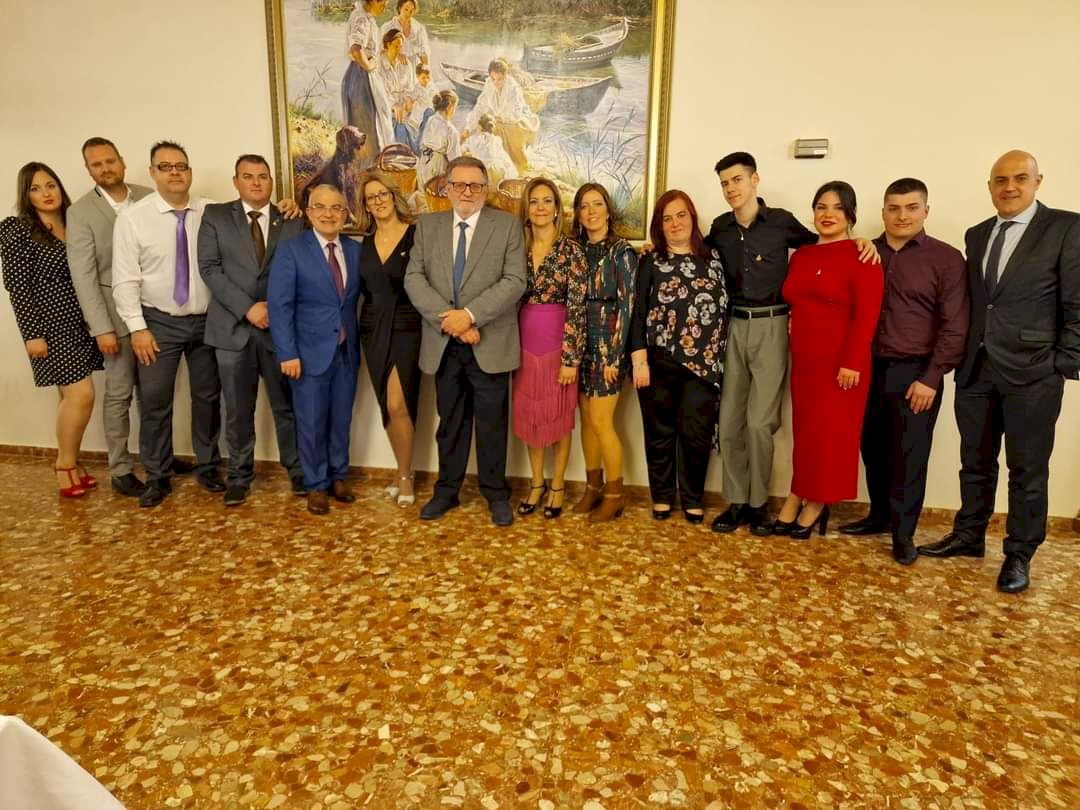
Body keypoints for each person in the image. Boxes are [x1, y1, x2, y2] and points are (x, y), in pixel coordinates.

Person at [919, 151, 1080, 593]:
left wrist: (1063, 363)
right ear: (989, 186)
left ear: (1037, 182)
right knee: (974, 462)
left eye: (1020, 178)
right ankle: (969, 535)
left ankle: (1019, 554)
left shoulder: (1066, 228)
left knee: (1027, 470)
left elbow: (1077, 302)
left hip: (1034, 372)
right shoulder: (977, 234)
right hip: (977, 369)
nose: (1010, 187)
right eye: (1000, 180)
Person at [707, 152, 877, 535]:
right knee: (730, 422)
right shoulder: (720, 227)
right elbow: (696, 256)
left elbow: (828, 242)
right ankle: (737, 502)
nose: (731, 188)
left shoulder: (782, 223)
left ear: (755, 180)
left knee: (759, 424)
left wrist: (863, 239)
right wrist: (652, 249)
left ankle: (758, 505)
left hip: (773, 326)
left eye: (737, 179)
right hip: (736, 327)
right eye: (725, 183)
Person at [837, 178, 968, 564]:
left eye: (911, 207)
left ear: (926, 211)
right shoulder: (865, 252)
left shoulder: (946, 259)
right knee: (872, 447)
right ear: (883, 212)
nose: (902, 216)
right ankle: (879, 515)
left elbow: (956, 325)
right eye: (893, 208)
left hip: (916, 372)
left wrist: (932, 377)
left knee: (909, 455)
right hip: (866, 368)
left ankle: (903, 533)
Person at [404, 155, 527, 526]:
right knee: (450, 423)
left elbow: (514, 281)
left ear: (485, 190)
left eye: (475, 185)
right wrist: (453, 322)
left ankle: (496, 494)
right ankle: (447, 491)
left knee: (492, 425)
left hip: (490, 343)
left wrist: (470, 316)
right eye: (459, 184)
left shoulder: (507, 226)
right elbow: (414, 278)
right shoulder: (427, 226)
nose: (467, 191)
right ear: (447, 188)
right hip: (445, 344)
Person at [112, 141, 225, 508]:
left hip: (207, 321)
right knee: (155, 401)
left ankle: (208, 466)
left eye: (181, 166)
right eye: (166, 167)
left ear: (190, 172)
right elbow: (125, 279)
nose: (175, 172)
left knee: (207, 397)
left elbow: (249, 221)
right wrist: (137, 328)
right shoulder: (133, 218)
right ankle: (158, 475)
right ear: (152, 173)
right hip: (158, 323)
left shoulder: (211, 211)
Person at [197, 154, 306, 507]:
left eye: (263, 176)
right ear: (236, 181)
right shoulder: (215, 216)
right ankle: (240, 476)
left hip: (279, 330)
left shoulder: (291, 219)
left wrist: (273, 309)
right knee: (238, 410)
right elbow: (209, 268)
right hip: (232, 330)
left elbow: (299, 270)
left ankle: (297, 470)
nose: (256, 182)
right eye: (248, 176)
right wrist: (248, 308)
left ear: (272, 181)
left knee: (286, 407)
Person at [776, 181, 883, 539]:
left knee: (831, 439)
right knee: (806, 435)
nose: (828, 214)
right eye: (821, 207)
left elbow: (867, 314)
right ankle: (797, 491)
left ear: (851, 214)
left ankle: (817, 502)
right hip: (805, 361)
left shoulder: (862, 255)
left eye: (837, 207)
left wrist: (852, 361)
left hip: (842, 364)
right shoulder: (802, 255)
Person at [1, 162, 103, 497]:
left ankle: (73, 461)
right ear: (26, 195)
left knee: (69, 399)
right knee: (81, 395)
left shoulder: (74, 221)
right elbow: (17, 287)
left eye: (50, 185)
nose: (46, 193)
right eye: (35, 188)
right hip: (49, 325)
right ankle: (64, 466)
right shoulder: (18, 229)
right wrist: (32, 334)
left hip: (80, 322)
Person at [629, 191, 728, 524]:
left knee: (696, 436)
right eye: (667, 218)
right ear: (659, 225)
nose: (675, 224)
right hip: (659, 361)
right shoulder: (651, 261)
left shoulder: (715, 257)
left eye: (681, 215)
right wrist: (639, 360)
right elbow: (638, 311)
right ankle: (661, 497)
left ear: (692, 217)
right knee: (659, 433)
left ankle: (692, 498)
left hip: (704, 366)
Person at [268, 185, 365, 515]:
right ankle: (315, 484)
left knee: (341, 418)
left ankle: (339, 476)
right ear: (308, 213)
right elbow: (280, 305)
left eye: (336, 208)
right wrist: (287, 353)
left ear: (345, 214)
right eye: (320, 207)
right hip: (307, 354)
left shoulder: (354, 250)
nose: (328, 214)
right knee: (310, 421)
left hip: (346, 352)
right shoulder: (292, 249)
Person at [66, 137, 153, 497]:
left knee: (153, 393)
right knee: (119, 394)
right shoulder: (80, 212)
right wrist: (100, 328)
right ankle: (120, 468)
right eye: (96, 164)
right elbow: (83, 275)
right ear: (89, 170)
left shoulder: (148, 196)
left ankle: (156, 458)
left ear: (122, 161)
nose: (105, 168)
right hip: (113, 320)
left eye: (109, 161)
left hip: (153, 313)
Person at [512, 177, 587, 518]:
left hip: (559, 344)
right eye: (534, 201)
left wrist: (571, 359)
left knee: (558, 416)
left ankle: (557, 485)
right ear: (526, 209)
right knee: (531, 417)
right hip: (523, 344)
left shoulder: (571, 249)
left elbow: (578, 306)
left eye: (547, 201)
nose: (540, 207)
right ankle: (536, 483)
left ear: (557, 209)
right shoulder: (518, 247)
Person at [570, 182, 637, 522]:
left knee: (601, 421)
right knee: (586, 420)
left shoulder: (622, 252)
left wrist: (614, 355)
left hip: (609, 344)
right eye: (584, 206)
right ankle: (592, 488)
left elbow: (627, 306)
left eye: (597, 204)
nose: (591, 211)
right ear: (578, 214)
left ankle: (615, 494)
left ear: (608, 211)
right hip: (580, 343)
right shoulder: (576, 250)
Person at [356, 172, 422, 507]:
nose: (378, 201)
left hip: (407, 325)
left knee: (399, 403)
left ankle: (407, 475)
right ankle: (400, 471)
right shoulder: (363, 244)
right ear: (366, 206)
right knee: (386, 404)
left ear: (394, 196)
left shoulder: (416, 235)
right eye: (371, 197)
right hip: (372, 327)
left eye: (382, 194)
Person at [463, 58, 539, 174]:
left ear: (505, 76)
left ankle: (513, 166)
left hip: (515, 122)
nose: (496, 82)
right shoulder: (489, 84)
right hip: (497, 121)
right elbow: (480, 106)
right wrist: (468, 128)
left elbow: (516, 113)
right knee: (483, 131)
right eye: (493, 78)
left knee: (503, 136)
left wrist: (501, 118)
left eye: (500, 79)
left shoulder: (513, 88)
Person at [341, 0, 394, 167]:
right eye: (383, 3)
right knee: (365, 123)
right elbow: (356, 49)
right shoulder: (361, 18)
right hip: (361, 78)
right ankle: (366, 167)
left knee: (373, 120)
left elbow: (367, 48)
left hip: (363, 75)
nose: (384, 7)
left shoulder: (367, 18)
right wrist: (370, 67)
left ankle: (370, 165)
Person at [377, 29, 416, 148]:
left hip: (404, 107)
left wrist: (409, 99)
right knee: (400, 127)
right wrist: (393, 105)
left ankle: (406, 150)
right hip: (386, 106)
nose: (399, 50)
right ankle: (398, 151)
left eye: (401, 46)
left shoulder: (406, 63)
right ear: (388, 45)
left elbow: (410, 88)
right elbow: (380, 92)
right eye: (396, 46)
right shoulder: (379, 64)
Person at [418, 90, 461, 188]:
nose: (454, 111)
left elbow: (424, 142)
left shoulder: (431, 120)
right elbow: (454, 159)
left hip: (424, 164)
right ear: (449, 107)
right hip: (438, 171)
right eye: (455, 108)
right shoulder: (451, 130)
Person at [463, 114, 518, 187]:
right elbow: (503, 156)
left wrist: (470, 154)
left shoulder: (472, 139)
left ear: (480, 126)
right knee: (503, 164)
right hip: (495, 171)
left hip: (479, 172)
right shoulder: (497, 140)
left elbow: (462, 149)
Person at [380, 0, 430, 68]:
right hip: (393, 66)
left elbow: (423, 53)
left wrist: (426, 68)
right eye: (406, 9)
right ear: (400, 8)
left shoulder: (419, 29)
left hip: (413, 67)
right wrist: (397, 54)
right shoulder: (387, 27)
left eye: (412, 10)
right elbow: (380, 50)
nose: (408, 13)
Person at [403, 63, 436, 152]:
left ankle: (427, 146)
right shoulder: (417, 88)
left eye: (428, 77)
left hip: (430, 109)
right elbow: (411, 98)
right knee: (420, 131)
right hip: (420, 112)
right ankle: (417, 147)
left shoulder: (431, 85)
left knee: (430, 129)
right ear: (417, 77)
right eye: (423, 78)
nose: (426, 80)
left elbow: (436, 96)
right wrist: (408, 101)